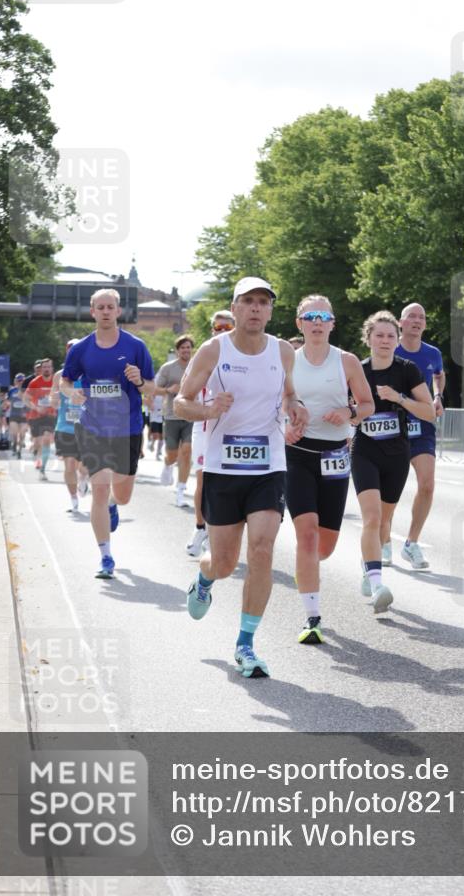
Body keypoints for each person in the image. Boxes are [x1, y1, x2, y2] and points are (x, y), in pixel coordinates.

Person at [174, 276, 308, 678]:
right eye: (248, 301)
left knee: (263, 549)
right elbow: (181, 403)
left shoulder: (283, 351)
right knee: (226, 562)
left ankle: (246, 644)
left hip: (268, 464)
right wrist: (208, 409)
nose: (255, 308)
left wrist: (295, 406)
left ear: (270, 311)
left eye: (263, 302)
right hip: (222, 467)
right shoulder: (214, 349)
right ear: (234, 308)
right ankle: (204, 577)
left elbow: (288, 393)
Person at [285, 295, 373, 644]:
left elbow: (367, 404)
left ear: (332, 323)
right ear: (300, 324)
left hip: (335, 454)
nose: (317, 322)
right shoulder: (286, 360)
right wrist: (285, 428)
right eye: (310, 317)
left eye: (324, 316)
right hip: (297, 453)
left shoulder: (347, 361)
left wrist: (349, 415)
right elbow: (274, 403)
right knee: (305, 536)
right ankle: (312, 616)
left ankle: (310, 571)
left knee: (324, 547)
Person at [61, 288, 155, 579]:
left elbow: (151, 390)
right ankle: (106, 556)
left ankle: (115, 505)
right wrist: (72, 394)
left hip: (127, 427)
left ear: (118, 311)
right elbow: (65, 382)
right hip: (94, 426)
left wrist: (139, 380)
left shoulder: (136, 346)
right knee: (99, 487)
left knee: (122, 495)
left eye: (109, 307)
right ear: (92, 311)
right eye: (99, 307)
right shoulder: (81, 349)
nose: (105, 311)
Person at [351, 311, 435, 613]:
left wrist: (399, 398)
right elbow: (344, 410)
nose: (385, 341)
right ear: (369, 338)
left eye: (390, 336)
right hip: (365, 451)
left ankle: (369, 561)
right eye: (379, 335)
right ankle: (376, 581)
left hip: (397, 453)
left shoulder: (407, 370)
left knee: (384, 522)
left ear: (397, 340)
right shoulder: (357, 371)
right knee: (371, 518)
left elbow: (429, 412)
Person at [381, 301, 446, 570]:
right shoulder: (388, 349)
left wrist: (439, 396)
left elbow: (439, 376)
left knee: (427, 484)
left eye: (422, 317)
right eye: (412, 317)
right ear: (401, 322)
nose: (417, 321)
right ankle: (383, 541)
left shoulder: (432, 353)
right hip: (391, 429)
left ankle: (412, 543)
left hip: (422, 428)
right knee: (389, 492)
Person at [186, 310, 235, 558]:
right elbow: (185, 399)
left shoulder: (248, 356)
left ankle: (219, 532)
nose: (222, 331)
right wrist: (206, 410)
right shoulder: (203, 356)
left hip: (236, 430)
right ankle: (200, 528)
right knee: (203, 479)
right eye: (218, 327)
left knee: (228, 483)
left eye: (228, 327)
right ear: (212, 329)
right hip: (205, 427)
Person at [154, 335, 195, 506]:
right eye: (182, 347)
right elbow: (155, 389)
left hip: (192, 416)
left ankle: (180, 491)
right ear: (177, 350)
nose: (186, 350)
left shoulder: (197, 366)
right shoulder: (168, 368)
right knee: (172, 454)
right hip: (171, 415)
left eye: (188, 347)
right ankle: (167, 464)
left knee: (186, 452)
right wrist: (169, 389)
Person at [51, 341, 89, 512]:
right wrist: (55, 398)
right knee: (69, 465)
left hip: (87, 426)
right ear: (66, 352)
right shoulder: (59, 375)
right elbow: (53, 400)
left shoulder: (90, 372)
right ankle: (73, 499)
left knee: (84, 465)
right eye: (70, 349)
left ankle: (83, 478)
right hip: (65, 426)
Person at [23, 358, 57, 479]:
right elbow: (25, 399)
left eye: (49, 367)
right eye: (44, 367)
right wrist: (36, 408)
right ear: (41, 369)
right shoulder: (35, 382)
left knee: (46, 439)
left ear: (52, 368)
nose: (47, 369)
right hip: (36, 416)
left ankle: (42, 469)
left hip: (50, 416)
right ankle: (37, 455)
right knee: (37, 443)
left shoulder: (56, 381)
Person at [7, 374, 29, 457]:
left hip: (24, 416)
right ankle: (14, 446)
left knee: (22, 434)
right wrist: (6, 404)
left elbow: (31, 402)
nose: (21, 382)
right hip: (13, 415)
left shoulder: (28, 391)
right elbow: (8, 401)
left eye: (22, 381)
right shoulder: (12, 391)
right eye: (19, 381)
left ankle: (19, 451)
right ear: (15, 382)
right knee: (15, 434)